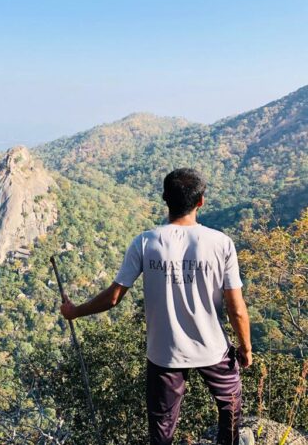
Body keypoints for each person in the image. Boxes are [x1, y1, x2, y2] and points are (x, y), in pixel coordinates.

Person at [60, 168, 252, 445]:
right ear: (201, 201)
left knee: (162, 428)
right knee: (230, 407)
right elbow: (236, 309)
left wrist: (75, 311)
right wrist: (245, 347)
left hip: (165, 353)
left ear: (165, 198)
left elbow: (114, 297)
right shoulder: (221, 243)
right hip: (213, 349)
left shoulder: (146, 242)